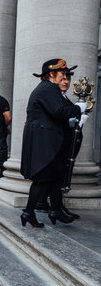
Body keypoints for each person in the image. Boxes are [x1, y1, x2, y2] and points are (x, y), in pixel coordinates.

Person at [20, 59, 86, 228]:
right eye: (62, 74)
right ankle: (28, 212)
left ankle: (55, 209)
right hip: (44, 139)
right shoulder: (48, 88)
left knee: (55, 175)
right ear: (51, 74)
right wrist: (79, 108)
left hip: (47, 138)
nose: (65, 78)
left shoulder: (49, 89)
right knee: (42, 178)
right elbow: (59, 111)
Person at [35, 69, 87, 219]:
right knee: (56, 173)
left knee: (59, 173)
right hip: (58, 142)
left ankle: (52, 205)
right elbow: (58, 114)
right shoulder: (52, 95)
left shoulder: (62, 97)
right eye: (62, 79)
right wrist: (75, 115)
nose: (65, 82)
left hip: (66, 141)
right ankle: (52, 206)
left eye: (68, 80)